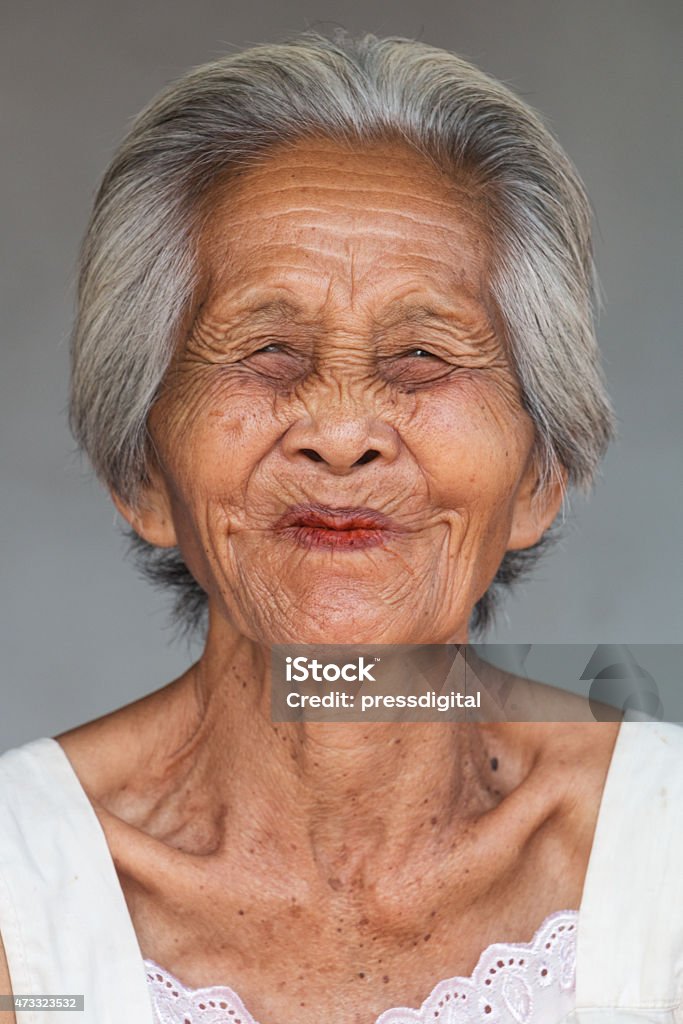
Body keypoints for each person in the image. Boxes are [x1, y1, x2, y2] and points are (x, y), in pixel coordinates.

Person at [1, 32, 682, 1024]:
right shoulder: (22, 901)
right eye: (265, 350)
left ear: (539, 475)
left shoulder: (663, 853)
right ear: (143, 470)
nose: (340, 431)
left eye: (422, 356)